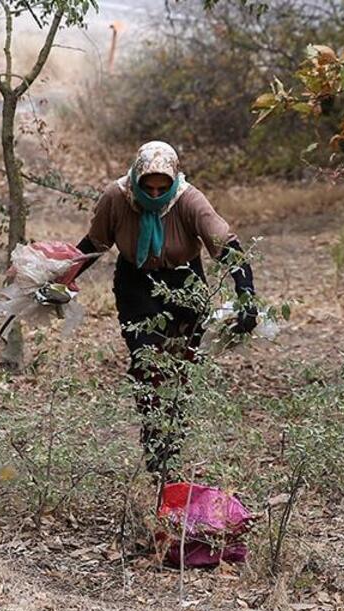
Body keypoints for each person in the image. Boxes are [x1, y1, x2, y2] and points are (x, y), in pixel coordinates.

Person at [72, 141, 257, 476]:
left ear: (173, 181)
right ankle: (154, 444)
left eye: (162, 187)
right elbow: (94, 244)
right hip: (136, 283)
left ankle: (172, 446)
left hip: (184, 284)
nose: (155, 194)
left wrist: (246, 295)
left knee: (178, 368)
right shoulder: (117, 197)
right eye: (148, 186)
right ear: (136, 178)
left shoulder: (189, 200)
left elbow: (228, 247)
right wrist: (61, 278)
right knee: (145, 364)